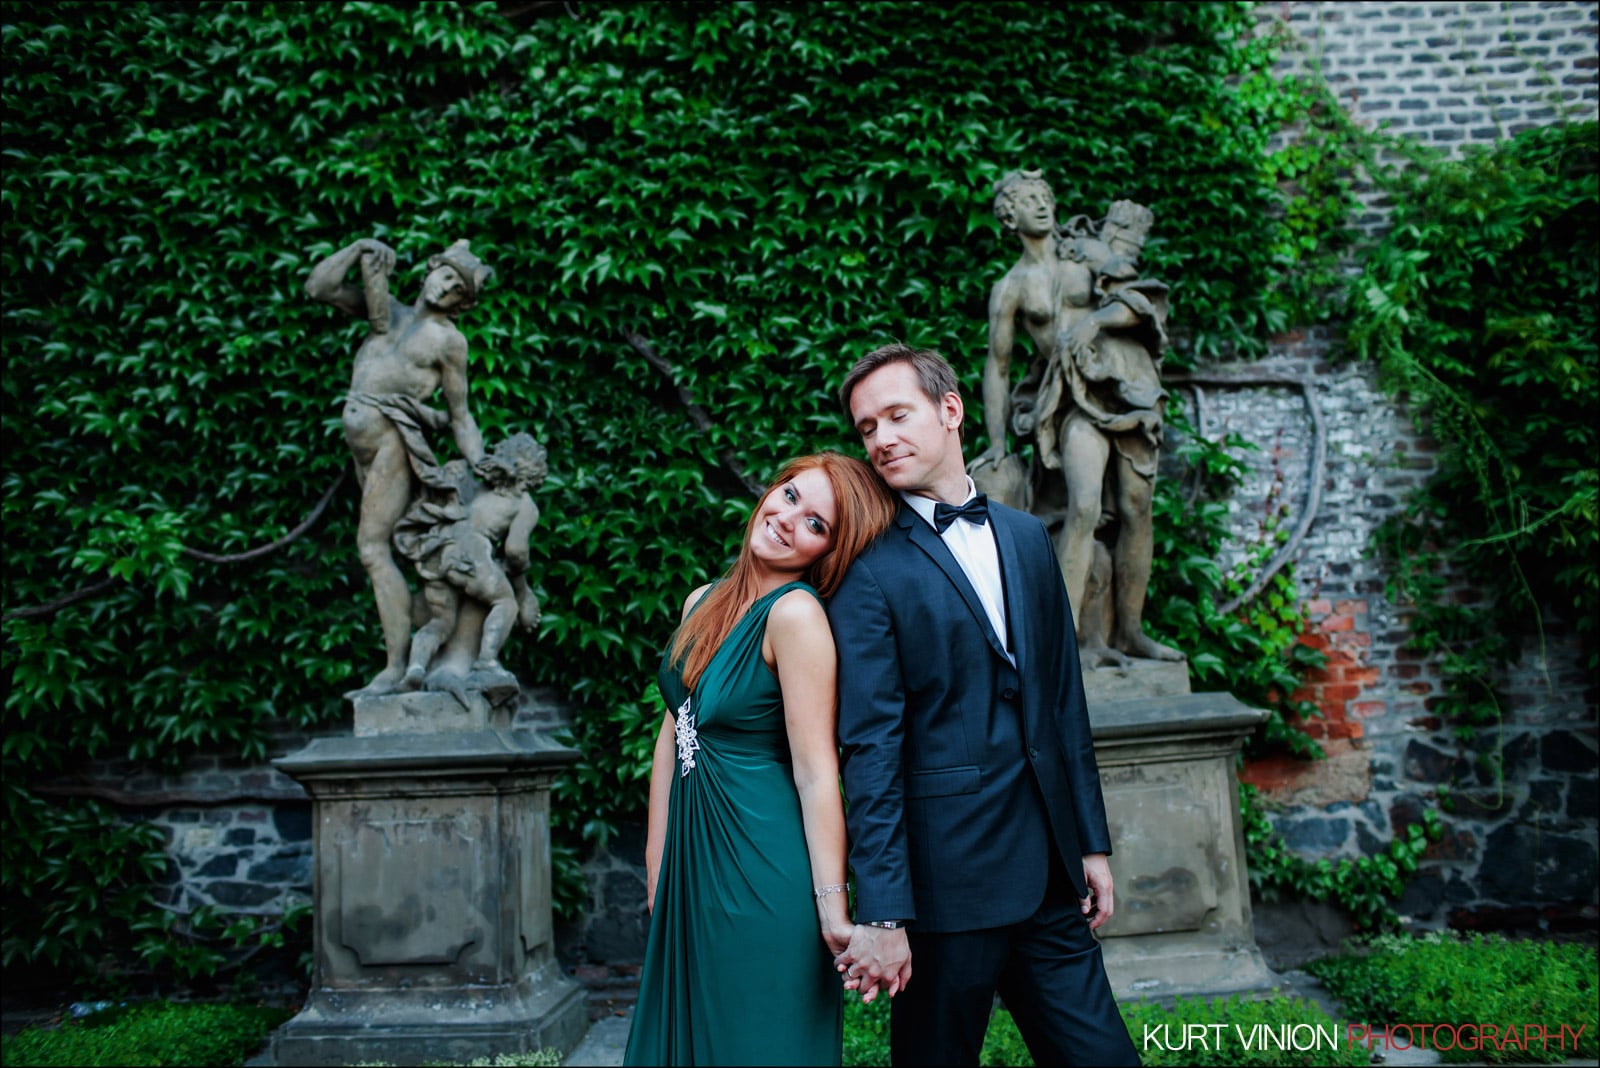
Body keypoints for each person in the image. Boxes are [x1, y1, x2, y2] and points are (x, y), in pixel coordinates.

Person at [829, 344, 1140, 1066]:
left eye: (896, 415)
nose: (880, 438)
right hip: (945, 894)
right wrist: (883, 909)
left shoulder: (1030, 539)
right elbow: (869, 750)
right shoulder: (866, 571)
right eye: (866, 427)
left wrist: (1090, 842)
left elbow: (1063, 705)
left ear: (951, 410)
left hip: (1052, 881)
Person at [624, 452, 898, 1067]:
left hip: (760, 870)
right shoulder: (703, 600)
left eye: (817, 525)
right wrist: (657, 854)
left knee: (755, 1042)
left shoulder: (795, 616)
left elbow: (816, 771)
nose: (788, 519)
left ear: (826, 552)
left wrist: (833, 905)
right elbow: (676, 729)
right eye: (791, 495)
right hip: (692, 861)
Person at [980, 172, 1181, 666]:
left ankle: (1131, 631)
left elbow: (1140, 304)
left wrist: (1093, 320)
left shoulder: (1087, 253)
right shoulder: (1011, 287)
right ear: (1009, 217)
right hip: (1069, 404)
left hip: (1124, 394)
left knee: (1137, 509)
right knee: (1084, 508)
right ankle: (1064, 640)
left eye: (1045, 196)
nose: (1042, 205)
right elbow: (998, 365)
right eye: (1028, 200)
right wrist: (997, 441)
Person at [306, 236, 495, 698]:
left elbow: (460, 414)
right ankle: (431, 630)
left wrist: (483, 465)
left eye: (457, 288)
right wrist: (355, 250)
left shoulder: (449, 341)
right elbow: (319, 287)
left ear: (463, 303)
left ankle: (394, 669)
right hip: (363, 447)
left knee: (373, 548)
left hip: (395, 442)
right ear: (430, 270)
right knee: (390, 549)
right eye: (445, 274)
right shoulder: (385, 314)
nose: (445, 287)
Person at [392, 433, 546, 693]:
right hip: (473, 553)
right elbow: (516, 551)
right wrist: (521, 587)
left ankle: (415, 669)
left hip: (442, 549)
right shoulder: (524, 504)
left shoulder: (480, 488)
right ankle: (486, 662)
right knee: (504, 602)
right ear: (535, 474)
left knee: (440, 622)